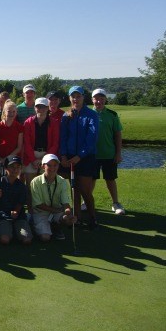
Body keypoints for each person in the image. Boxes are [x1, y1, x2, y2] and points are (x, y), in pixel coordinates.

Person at [60, 86, 100, 229]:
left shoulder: (91, 115)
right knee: (74, 189)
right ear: (70, 98)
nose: (76, 99)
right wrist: (63, 155)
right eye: (73, 96)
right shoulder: (66, 116)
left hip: (86, 157)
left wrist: (80, 156)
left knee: (85, 190)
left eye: (78, 96)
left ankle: (93, 218)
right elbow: (63, 137)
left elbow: (92, 139)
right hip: (70, 156)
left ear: (83, 98)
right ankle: (77, 218)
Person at [22, 97, 60, 215]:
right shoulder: (28, 122)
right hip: (31, 156)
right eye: (38, 107)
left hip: (47, 155)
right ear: (35, 108)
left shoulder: (54, 122)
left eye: (43, 107)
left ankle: (46, 213)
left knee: (47, 186)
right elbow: (27, 143)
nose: (40, 109)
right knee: (30, 187)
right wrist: (33, 160)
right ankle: (31, 212)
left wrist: (44, 159)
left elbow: (55, 143)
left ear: (47, 108)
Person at [92, 88, 126, 215]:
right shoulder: (88, 113)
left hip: (109, 154)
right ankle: (87, 202)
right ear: (92, 100)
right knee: (91, 179)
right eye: (96, 98)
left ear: (105, 99)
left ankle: (116, 203)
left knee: (110, 179)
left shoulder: (112, 115)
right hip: (92, 154)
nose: (99, 101)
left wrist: (118, 153)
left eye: (101, 98)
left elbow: (118, 135)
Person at [30, 154, 77, 242]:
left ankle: (56, 228)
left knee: (66, 219)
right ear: (43, 167)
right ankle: (33, 222)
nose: (52, 168)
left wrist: (68, 212)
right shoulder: (35, 182)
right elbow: (38, 204)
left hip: (57, 212)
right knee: (45, 238)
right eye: (49, 165)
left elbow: (65, 202)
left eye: (55, 165)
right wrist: (57, 210)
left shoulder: (62, 181)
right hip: (41, 213)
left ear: (58, 166)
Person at [0, 156, 32, 246]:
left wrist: (15, 211)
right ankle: (9, 230)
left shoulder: (21, 185)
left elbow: (21, 202)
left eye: (18, 167)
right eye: (12, 167)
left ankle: (17, 229)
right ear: (6, 168)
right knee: (4, 240)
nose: (15, 170)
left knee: (27, 240)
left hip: (19, 216)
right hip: (4, 216)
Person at [0, 100, 23, 178]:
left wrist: (7, 159)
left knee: (12, 180)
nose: (11, 114)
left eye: (14, 111)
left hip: (13, 159)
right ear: (4, 112)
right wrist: (0, 159)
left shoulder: (19, 127)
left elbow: (19, 147)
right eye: (9, 111)